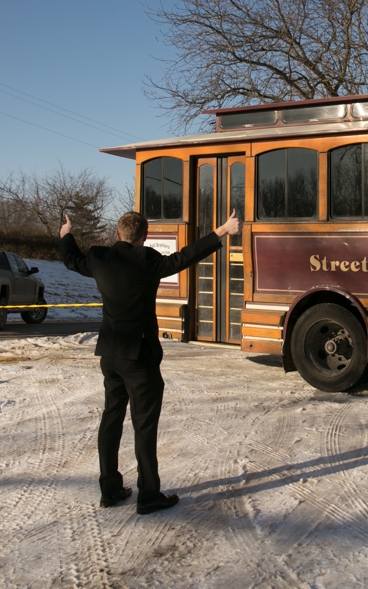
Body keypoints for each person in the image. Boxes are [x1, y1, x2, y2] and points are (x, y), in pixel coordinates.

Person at [60, 209, 241, 515]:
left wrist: (66, 233)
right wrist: (222, 230)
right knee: (144, 427)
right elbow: (185, 257)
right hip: (140, 358)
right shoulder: (149, 260)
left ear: (118, 234)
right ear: (145, 237)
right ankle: (148, 495)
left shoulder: (99, 258)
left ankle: (110, 489)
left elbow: (71, 259)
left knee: (111, 418)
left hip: (110, 355)